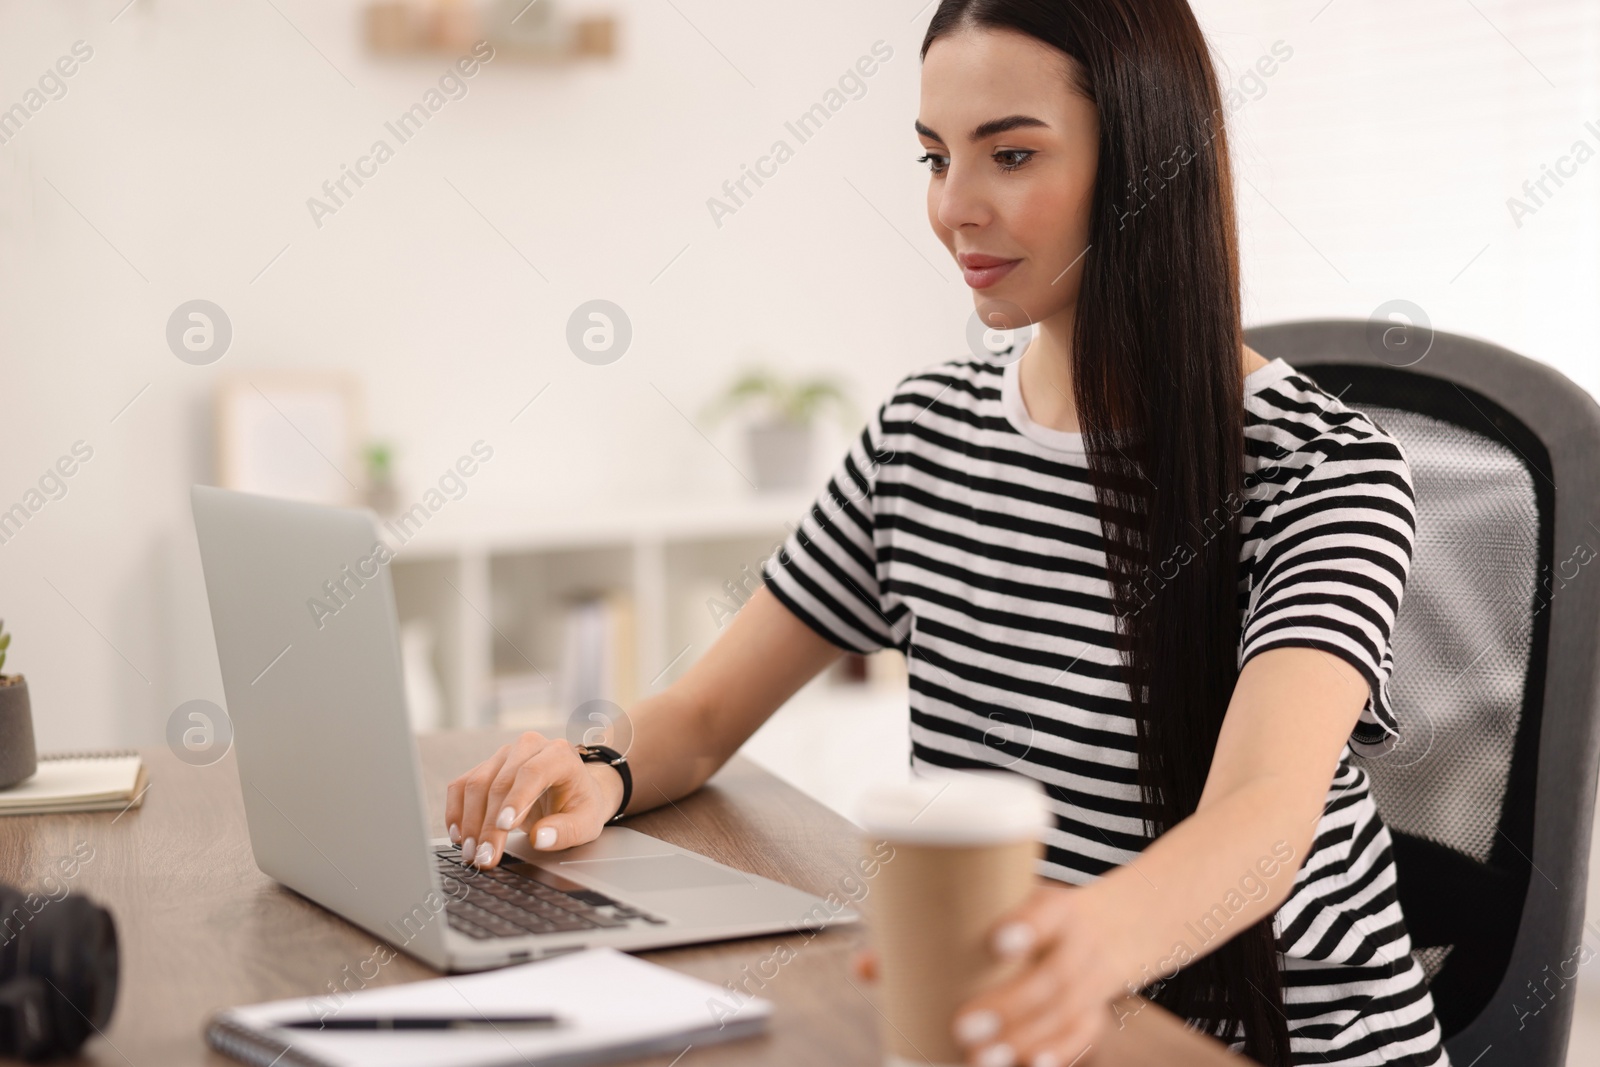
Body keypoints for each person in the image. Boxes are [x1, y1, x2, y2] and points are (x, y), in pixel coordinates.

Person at [446, 1, 1449, 1064]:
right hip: (1006, 1025)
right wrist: (596, 766)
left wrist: (1077, 940)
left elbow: (1260, 823)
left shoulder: (1323, 470)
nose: (954, 208)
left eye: (1010, 154)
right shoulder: (924, 432)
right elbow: (700, 712)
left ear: (1147, 156)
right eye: (933, 158)